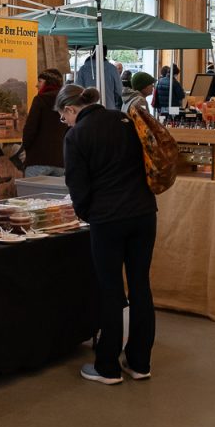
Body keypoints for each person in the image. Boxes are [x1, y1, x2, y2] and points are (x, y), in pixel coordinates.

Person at [56, 85, 157, 385]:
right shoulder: (125, 121)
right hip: (143, 213)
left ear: (72, 110)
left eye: (63, 117)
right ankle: (140, 363)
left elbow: (78, 186)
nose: (65, 122)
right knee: (141, 286)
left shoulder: (77, 136)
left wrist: (87, 215)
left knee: (110, 290)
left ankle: (107, 366)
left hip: (108, 219)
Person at [21, 69, 67, 177]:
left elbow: (30, 129)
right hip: (60, 161)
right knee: (56, 194)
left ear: (49, 82)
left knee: (33, 193)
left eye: (40, 81)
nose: (37, 85)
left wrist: (27, 147)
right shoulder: (66, 102)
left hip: (38, 159)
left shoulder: (40, 99)